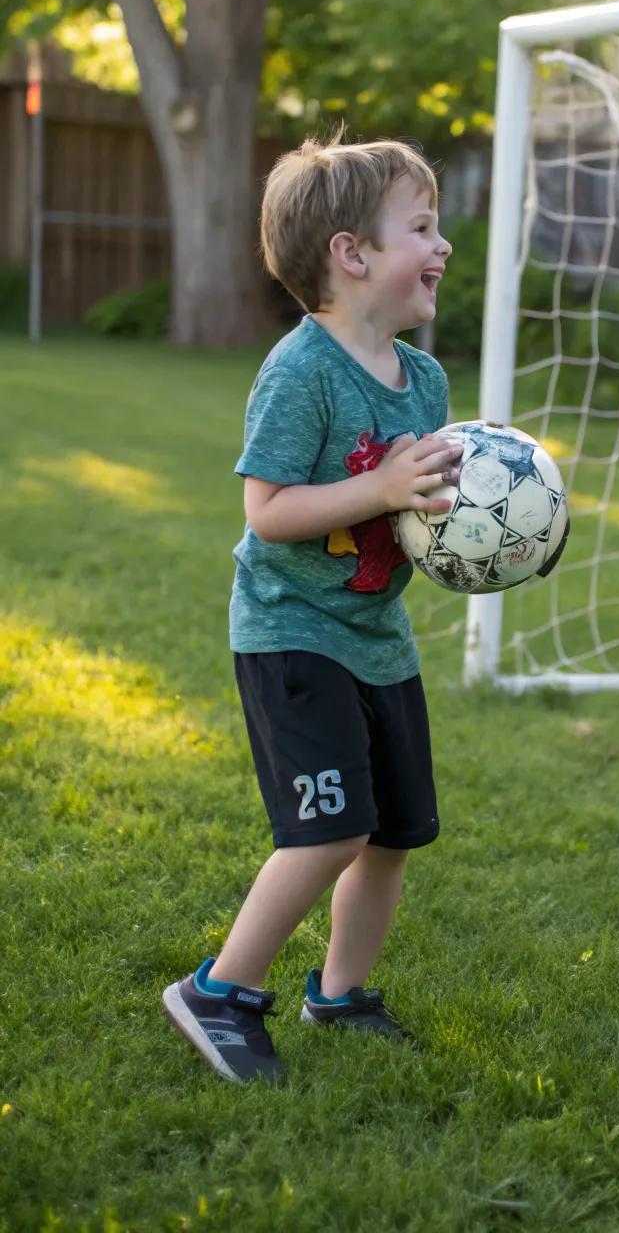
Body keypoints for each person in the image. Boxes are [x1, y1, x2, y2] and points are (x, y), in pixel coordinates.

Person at [163, 134, 461, 1083]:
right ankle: (221, 990)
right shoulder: (301, 371)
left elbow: (426, 519)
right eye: (421, 226)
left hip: (381, 637)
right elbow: (270, 509)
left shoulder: (426, 382)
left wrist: (490, 535)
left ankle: (339, 995)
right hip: (293, 634)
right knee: (329, 830)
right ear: (351, 253)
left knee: (391, 836)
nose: (442, 245)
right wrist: (378, 493)